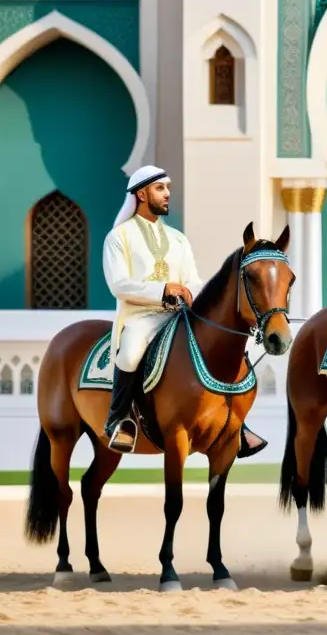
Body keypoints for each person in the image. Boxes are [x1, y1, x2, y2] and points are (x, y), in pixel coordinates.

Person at [101, 165, 269, 458]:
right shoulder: (119, 237)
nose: (167, 194)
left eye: (167, 188)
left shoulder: (178, 239)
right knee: (128, 354)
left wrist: (194, 293)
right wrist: (163, 289)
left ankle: (235, 423)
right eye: (160, 189)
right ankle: (120, 420)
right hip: (140, 317)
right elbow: (118, 284)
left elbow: (191, 278)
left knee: (223, 347)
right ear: (141, 194)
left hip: (178, 315)